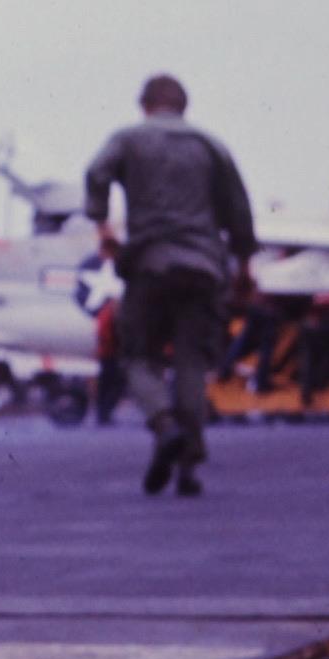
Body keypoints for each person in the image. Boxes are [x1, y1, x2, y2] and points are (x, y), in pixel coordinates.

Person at [83, 73, 257, 498]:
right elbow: (239, 209)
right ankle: (189, 469)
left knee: (138, 357)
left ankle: (163, 424)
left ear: (144, 105)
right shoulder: (211, 146)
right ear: (184, 106)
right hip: (203, 268)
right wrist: (245, 266)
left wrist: (103, 223)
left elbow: (96, 172)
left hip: (149, 264)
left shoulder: (128, 138)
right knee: (191, 364)